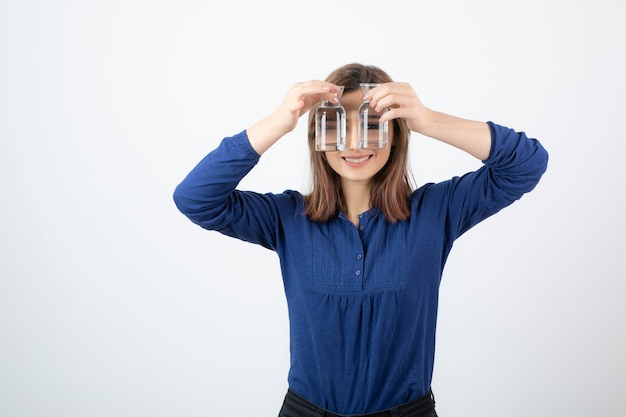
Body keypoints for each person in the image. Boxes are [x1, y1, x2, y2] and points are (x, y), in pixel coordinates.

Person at [173, 63, 549, 417]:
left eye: (372, 125)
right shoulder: (287, 218)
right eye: (337, 126)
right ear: (318, 137)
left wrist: (428, 120)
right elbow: (195, 198)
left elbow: (526, 163)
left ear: (397, 133)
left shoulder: (437, 211)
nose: (353, 144)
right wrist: (278, 122)